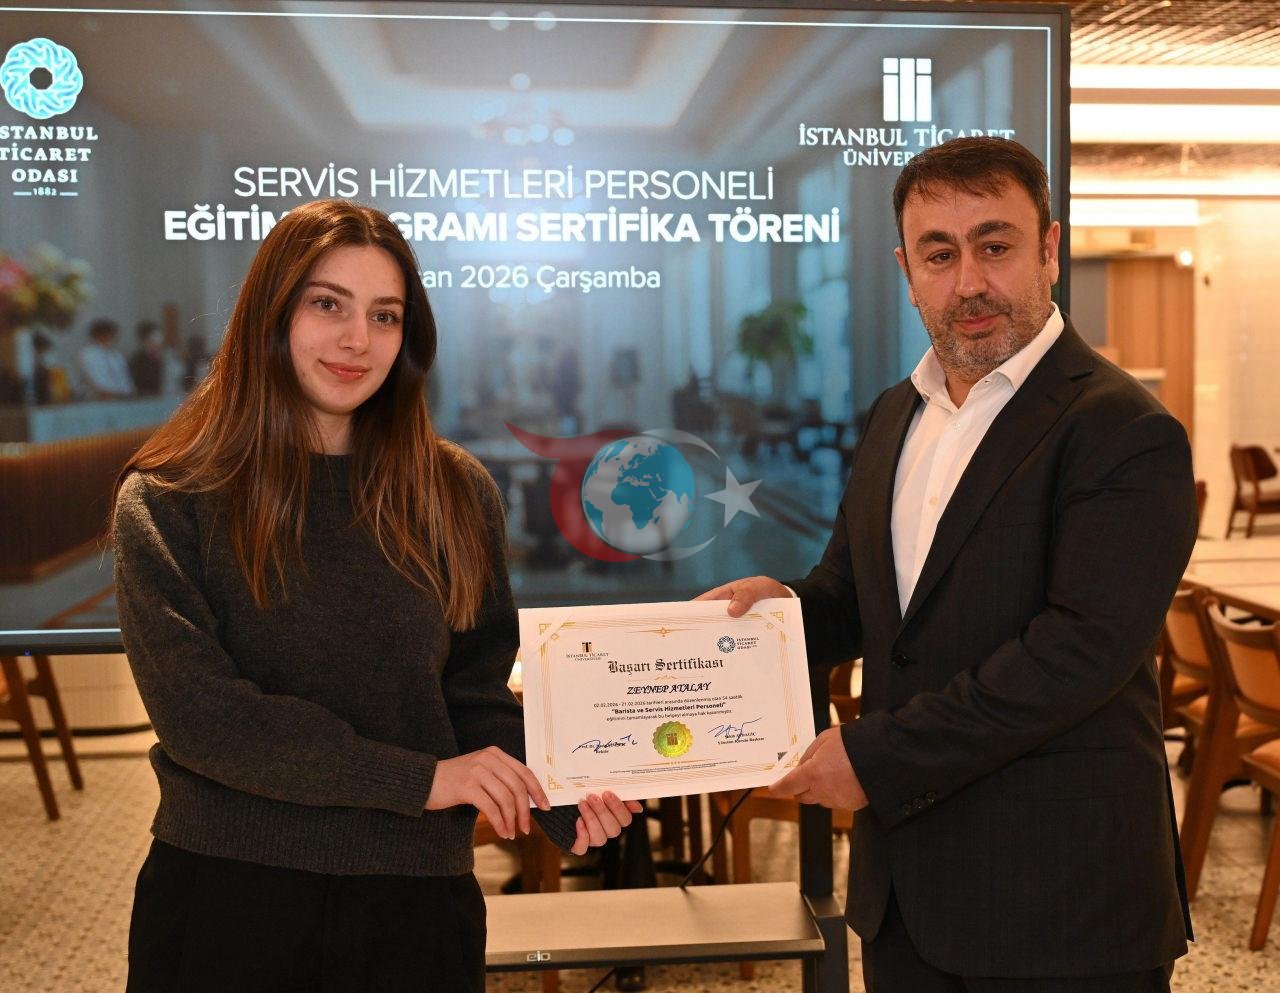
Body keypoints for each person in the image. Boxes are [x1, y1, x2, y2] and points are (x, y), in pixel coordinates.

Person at [698, 137, 1196, 991]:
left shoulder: (1123, 429)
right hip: (908, 898)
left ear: (1049, 250)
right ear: (907, 271)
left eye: (994, 246)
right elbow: (859, 595)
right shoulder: (897, 412)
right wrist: (779, 611)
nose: (968, 282)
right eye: (939, 254)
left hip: (1063, 904)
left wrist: (873, 757)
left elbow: (1077, 653)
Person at [111, 199, 641, 993]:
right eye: (328, 304)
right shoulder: (168, 497)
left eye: (385, 315)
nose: (358, 338)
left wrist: (559, 791)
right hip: (227, 892)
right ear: (270, 313)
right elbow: (205, 719)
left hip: (414, 903)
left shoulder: (454, 490)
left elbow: (471, 693)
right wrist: (424, 780)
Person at [78, 317, 136, 399]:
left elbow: (125, 378)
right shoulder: (88, 354)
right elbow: (96, 381)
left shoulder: (116, 355)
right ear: (100, 335)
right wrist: (112, 394)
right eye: (111, 335)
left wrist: (130, 392)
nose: (115, 338)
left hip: (123, 398)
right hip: (99, 399)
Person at [128, 320, 164, 396]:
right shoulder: (138, 359)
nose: (159, 340)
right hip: (145, 397)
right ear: (145, 339)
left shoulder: (161, 356)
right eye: (155, 337)